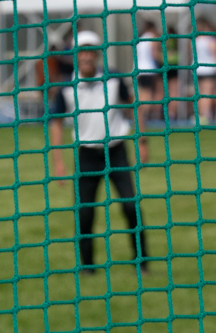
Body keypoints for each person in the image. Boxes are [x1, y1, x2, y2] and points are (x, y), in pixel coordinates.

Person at [48, 30, 150, 275]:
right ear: (75, 56)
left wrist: (142, 141)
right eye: (81, 51)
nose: (86, 56)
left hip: (116, 152)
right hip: (87, 155)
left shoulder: (113, 78)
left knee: (130, 206)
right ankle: (87, 267)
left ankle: (142, 262)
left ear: (97, 54)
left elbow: (133, 105)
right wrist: (58, 161)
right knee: (84, 213)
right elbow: (56, 123)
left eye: (90, 51)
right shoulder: (67, 87)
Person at [194, 16, 216, 125]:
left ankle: (201, 115)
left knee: (201, 93)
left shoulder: (196, 40)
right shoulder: (210, 40)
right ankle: (204, 116)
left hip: (197, 69)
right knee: (207, 93)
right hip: (209, 70)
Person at [135, 17, 163, 119]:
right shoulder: (152, 38)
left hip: (139, 69)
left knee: (142, 92)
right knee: (148, 93)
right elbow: (154, 54)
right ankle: (145, 114)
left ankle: (140, 113)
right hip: (149, 69)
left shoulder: (140, 38)